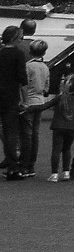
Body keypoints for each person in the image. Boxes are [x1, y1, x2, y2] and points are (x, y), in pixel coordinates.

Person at [47, 59, 74, 182]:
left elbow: (45, 106)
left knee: (56, 149)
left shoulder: (60, 97)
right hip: (72, 127)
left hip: (58, 126)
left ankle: (54, 174)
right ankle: (66, 172)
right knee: (67, 149)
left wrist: (30, 108)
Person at [20, 39, 54, 178]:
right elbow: (46, 88)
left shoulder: (28, 67)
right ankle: (31, 165)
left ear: (30, 51)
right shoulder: (45, 67)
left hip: (29, 101)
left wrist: (24, 102)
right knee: (35, 134)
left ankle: (24, 165)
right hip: (40, 101)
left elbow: (24, 84)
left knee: (26, 135)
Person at [0, 26, 26, 180]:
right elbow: (22, 79)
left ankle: (10, 163)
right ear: (15, 38)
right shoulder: (18, 54)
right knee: (11, 132)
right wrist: (25, 100)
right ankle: (13, 166)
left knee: (4, 131)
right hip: (11, 96)